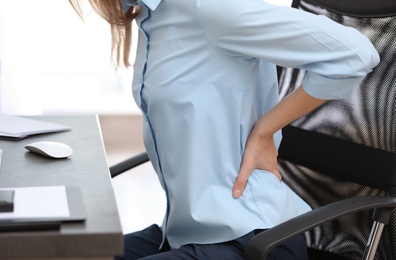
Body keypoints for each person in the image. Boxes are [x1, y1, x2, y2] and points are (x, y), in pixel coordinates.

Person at [69, 0, 379, 259]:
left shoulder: (210, 7)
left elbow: (355, 54)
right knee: (64, 253)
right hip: (184, 230)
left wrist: (265, 129)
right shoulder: (152, 16)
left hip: (253, 240)